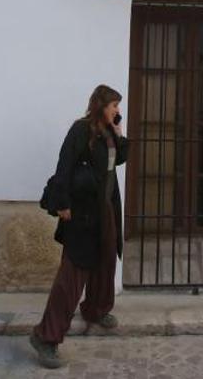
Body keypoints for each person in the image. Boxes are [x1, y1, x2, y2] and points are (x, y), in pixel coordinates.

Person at [29, 85, 129, 369]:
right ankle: (45, 337)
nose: (117, 110)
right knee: (73, 274)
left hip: (106, 210)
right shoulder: (80, 130)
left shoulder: (108, 132)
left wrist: (119, 133)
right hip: (82, 213)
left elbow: (120, 159)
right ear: (101, 105)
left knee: (106, 261)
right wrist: (62, 203)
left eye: (118, 106)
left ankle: (96, 309)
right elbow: (64, 166)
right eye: (114, 105)